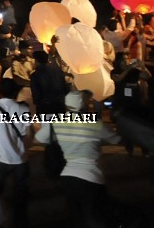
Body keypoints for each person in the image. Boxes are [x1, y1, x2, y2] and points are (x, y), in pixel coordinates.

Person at [34, 90, 121, 228]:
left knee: (77, 218)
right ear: (84, 106)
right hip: (92, 177)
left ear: (67, 106)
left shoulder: (57, 122)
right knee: (95, 217)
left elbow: (39, 138)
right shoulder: (94, 123)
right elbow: (116, 139)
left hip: (68, 177)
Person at [0, 78, 32, 228]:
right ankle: (20, 223)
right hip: (21, 159)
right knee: (21, 196)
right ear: (16, 92)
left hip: (1, 159)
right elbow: (29, 136)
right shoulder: (24, 109)